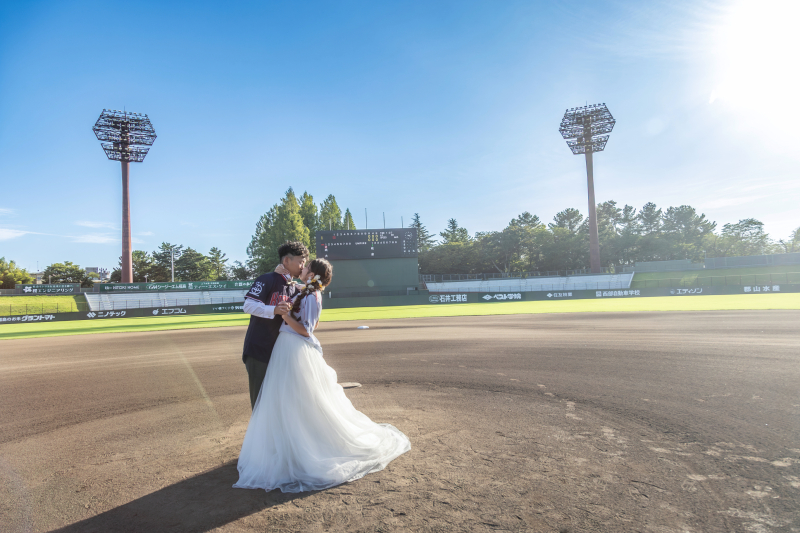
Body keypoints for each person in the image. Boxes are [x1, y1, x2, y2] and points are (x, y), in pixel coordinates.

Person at [234, 258, 411, 493]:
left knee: (302, 399)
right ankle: (288, 445)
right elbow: (294, 289)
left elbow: (307, 330)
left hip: (295, 348)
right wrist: (284, 276)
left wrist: (285, 317)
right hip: (286, 348)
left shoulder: (312, 295)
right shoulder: (306, 290)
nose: (302, 268)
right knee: (289, 399)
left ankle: (304, 447)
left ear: (312, 274)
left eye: (306, 267)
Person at [241, 241, 308, 409]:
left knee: (281, 400)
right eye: (300, 262)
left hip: (281, 351)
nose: (302, 266)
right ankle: (260, 436)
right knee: (260, 401)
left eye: (305, 263)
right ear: (286, 261)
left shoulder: (295, 287)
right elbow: (248, 306)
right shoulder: (267, 279)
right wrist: (274, 310)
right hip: (259, 350)